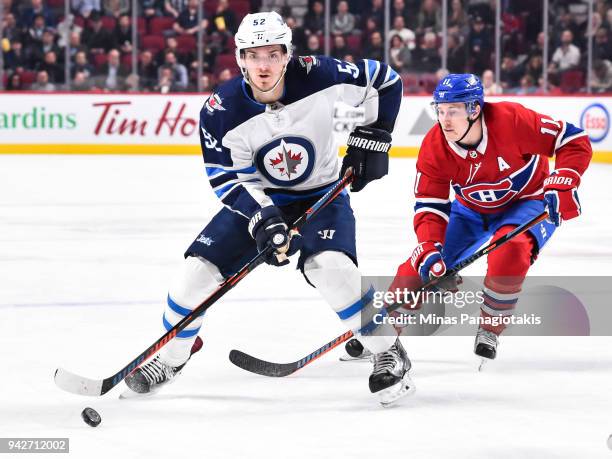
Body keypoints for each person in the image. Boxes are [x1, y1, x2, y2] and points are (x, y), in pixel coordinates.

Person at [124, 11, 410, 406]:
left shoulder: (319, 75)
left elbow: (386, 80)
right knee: (194, 276)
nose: (263, 65)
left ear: (287, 55)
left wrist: (375, 135)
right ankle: (173, 357)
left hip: (321, 192)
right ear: (239, 57)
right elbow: (225, 179)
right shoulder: (219, 110)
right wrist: (263, 217)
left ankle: (387, 350)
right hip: (259, 198)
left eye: (273, 54)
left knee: (330, 269)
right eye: (253, 54)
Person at [343, 73, 592, 366]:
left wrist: (564, 179)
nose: (445, 120)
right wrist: (430, 247)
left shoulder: (512, 120)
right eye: (440, 110)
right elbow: (429, 205)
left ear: (475, 109)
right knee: (420, 265)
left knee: (509, 250)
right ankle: (381, 332)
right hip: (471, 210)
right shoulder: (435, 146)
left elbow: (573, 139)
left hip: (528, 203)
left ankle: (490, 329)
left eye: (454, 111)